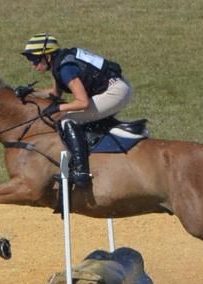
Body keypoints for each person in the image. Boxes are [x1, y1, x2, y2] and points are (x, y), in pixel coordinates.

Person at [19, 33, 132, 187]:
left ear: (48, 56)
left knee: (68, 119)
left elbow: (82, 102)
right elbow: (54, 93)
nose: (33, 64)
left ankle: (81, 172)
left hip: (115, 92)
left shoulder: (65, 68)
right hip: (114, 87)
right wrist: (30, 92)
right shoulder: (60, 61)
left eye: (35, 59)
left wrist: (58, 108)